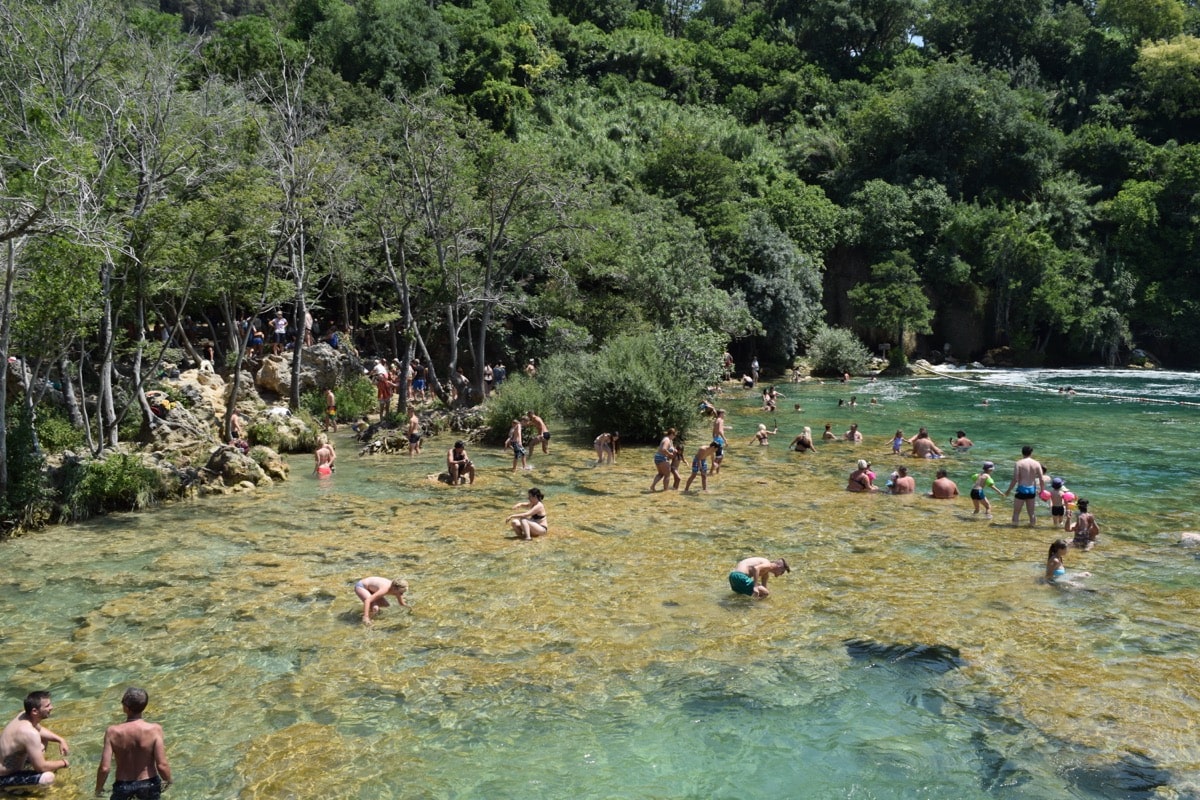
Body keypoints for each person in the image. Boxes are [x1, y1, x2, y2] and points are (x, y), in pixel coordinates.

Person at [94, 687, 172, 800]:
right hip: (149, 784)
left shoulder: (112, 732)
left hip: (123, 785)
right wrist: (169, 781)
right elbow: (162, 764)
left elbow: (105, 768)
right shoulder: (155, 730)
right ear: (144, 706)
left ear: (126, 708)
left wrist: (98, 789)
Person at [0, 691, 69, 790]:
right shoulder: (29, 733)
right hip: (3, 777)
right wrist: (64, 763)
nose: (51, 707)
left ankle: (28, 767)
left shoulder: (24, 715)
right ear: (35, 711)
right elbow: (41, 767)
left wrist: (60, 740)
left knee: (43, 740)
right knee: (48, 777)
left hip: (9, 763)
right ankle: (9, 791)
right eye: (47, 706)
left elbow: (40, 730)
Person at [1005, 445, 1045, 527]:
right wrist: (1042, 491)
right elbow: (1042, 479)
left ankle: (1014, 529)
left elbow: (1015, 479)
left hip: (1021, 489)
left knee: (1016, 512)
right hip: (1032, 490)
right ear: (1031, 453)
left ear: (1022, 452)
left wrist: (1008, 491)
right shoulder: (1037, 463)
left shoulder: (1018, 463)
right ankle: (1032, 528)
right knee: (1032, 513)